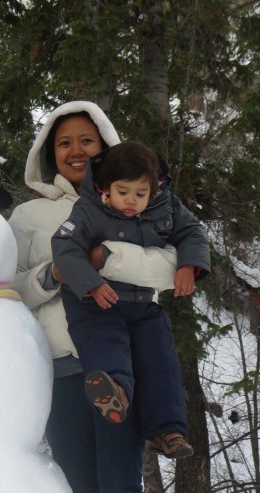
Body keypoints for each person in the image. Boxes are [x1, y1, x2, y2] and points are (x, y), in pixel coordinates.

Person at [9, 102, 179, 493]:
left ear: (104, 145)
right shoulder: (27, 218)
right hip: (60, 370)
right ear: (48, 153)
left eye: (87, 140)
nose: (77, 151)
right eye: (64, 143)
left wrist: (103, 258)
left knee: (123, 491)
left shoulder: (134, 202)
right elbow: (10, 288)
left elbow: (166, 269)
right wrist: (53, 272)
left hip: (115, 367)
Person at [51, 139, 210, 459]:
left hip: (141, 304)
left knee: (161, 357)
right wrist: (93, 283)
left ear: (154, 188)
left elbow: (192, 231)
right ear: (105, 187)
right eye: (123, 192)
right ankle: (114, 392)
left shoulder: (166, 205)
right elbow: (65, 248)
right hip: (95, 302)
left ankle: (168, 430)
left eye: (141, 194)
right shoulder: (87, 209)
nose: (131, 201)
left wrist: (187, 265)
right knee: (106, 344)